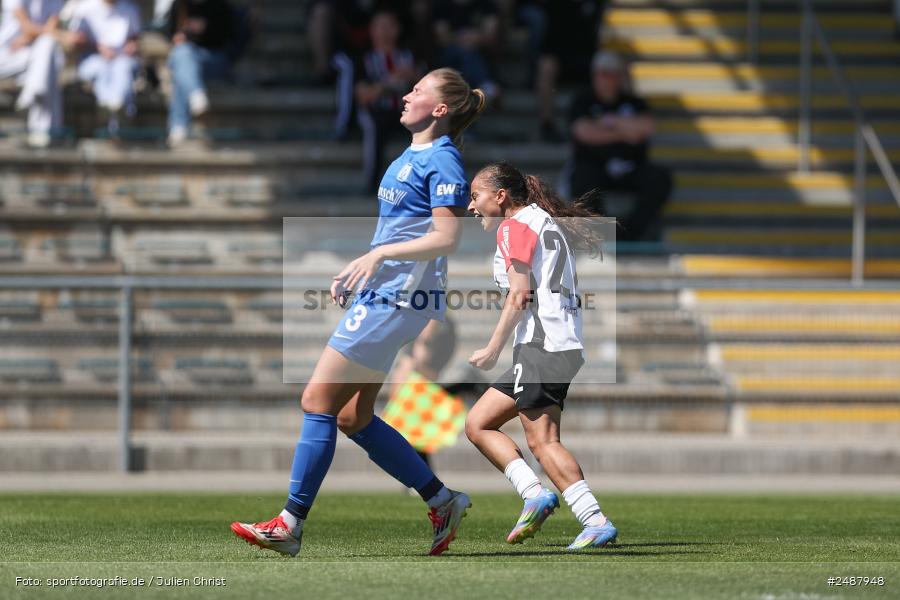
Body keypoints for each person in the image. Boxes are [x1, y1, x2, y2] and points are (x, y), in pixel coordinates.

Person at [231, 67, 487, 558]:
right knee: (353, 415)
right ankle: (442, 499)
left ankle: (290, 522)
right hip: (384, 294)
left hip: (400, 298)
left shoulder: (443, 161)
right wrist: (365, 269)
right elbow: (397, 233)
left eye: (418, 90)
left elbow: (447, 238)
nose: (407, 95)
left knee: (316, 399)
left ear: (440, 109)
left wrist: (378, 259)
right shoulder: (410, 156)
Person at [464, 161, 618, 550]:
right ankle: (534, 494)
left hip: (543, 346)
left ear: (500, 196)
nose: (471, 206)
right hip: (556, 343)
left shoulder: (515, 227)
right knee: (479, 423)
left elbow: (520, 293)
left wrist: (493, 346)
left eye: (476, 196)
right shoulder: (541, 221)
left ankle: (594, 519)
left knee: (543, 440)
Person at [568, 50, 672, 242]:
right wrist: (624, 131)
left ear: (619, 77)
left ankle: (630, 234)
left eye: (609, 74)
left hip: (631, 167)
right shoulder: (584, 101)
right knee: (581, 179)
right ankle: (601, 232)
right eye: (600, 74)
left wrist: (607, 122)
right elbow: (584, 132)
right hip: (594, 166)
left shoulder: (634, 102)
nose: (604, 79)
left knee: (660, 178)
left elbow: (646, 127)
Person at [356, 10, 421, 191]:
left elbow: (430, 89)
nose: (385, 32)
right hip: (376, 112)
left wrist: (414, 77)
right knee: (374, 127)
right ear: (372, 31)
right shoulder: (365, 60)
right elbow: (362, 95)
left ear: (398, 30)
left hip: (405, 112)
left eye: (390, 26)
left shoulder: (410, 58)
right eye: (380, 27)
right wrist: (388, 83)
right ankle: (371, 184)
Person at [164, 0, 238, 146]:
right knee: (182, 55)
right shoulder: (179, 5)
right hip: (186, 56)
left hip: (213, 57)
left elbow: (228, 38)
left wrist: (203, 31)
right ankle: (195, 95)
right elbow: (168, 31)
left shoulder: (219, 5)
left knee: (181, 67)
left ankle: (178, 125)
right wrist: (178, 37)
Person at [533, 0, 604, 141]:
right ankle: (546, 125)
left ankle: (614, 116)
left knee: (613, 65)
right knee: (545, 66)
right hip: (559, 58)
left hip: (586, 58)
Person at [0, 0, 65, 148]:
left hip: (33, 56)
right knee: (48, 59)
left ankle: (31, 93)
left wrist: (32, 35)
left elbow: (47, 29)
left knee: (47, 50)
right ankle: (45, 131)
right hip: (7, 55)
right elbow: (27, 27)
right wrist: (62, 36)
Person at [69, 0, 141, 131]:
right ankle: (115, 121)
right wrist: (98, 47)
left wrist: (131, 46)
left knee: (123, 68)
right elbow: (76, 40)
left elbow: (134, 37)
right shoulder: (84, 7)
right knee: (102, 69)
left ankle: (113, 112)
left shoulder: (130, 8)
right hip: (91, 59)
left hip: (121, 59)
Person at [433, 0, 500, 100]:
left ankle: (466, 93)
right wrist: (461, 38)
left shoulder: (487, 4)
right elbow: (441, 38)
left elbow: (490, 36)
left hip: (479, 51)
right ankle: (483, 85)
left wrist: (475, 37)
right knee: (466, 54)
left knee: (469, 55)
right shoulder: (443, 5)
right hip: (451, 52)